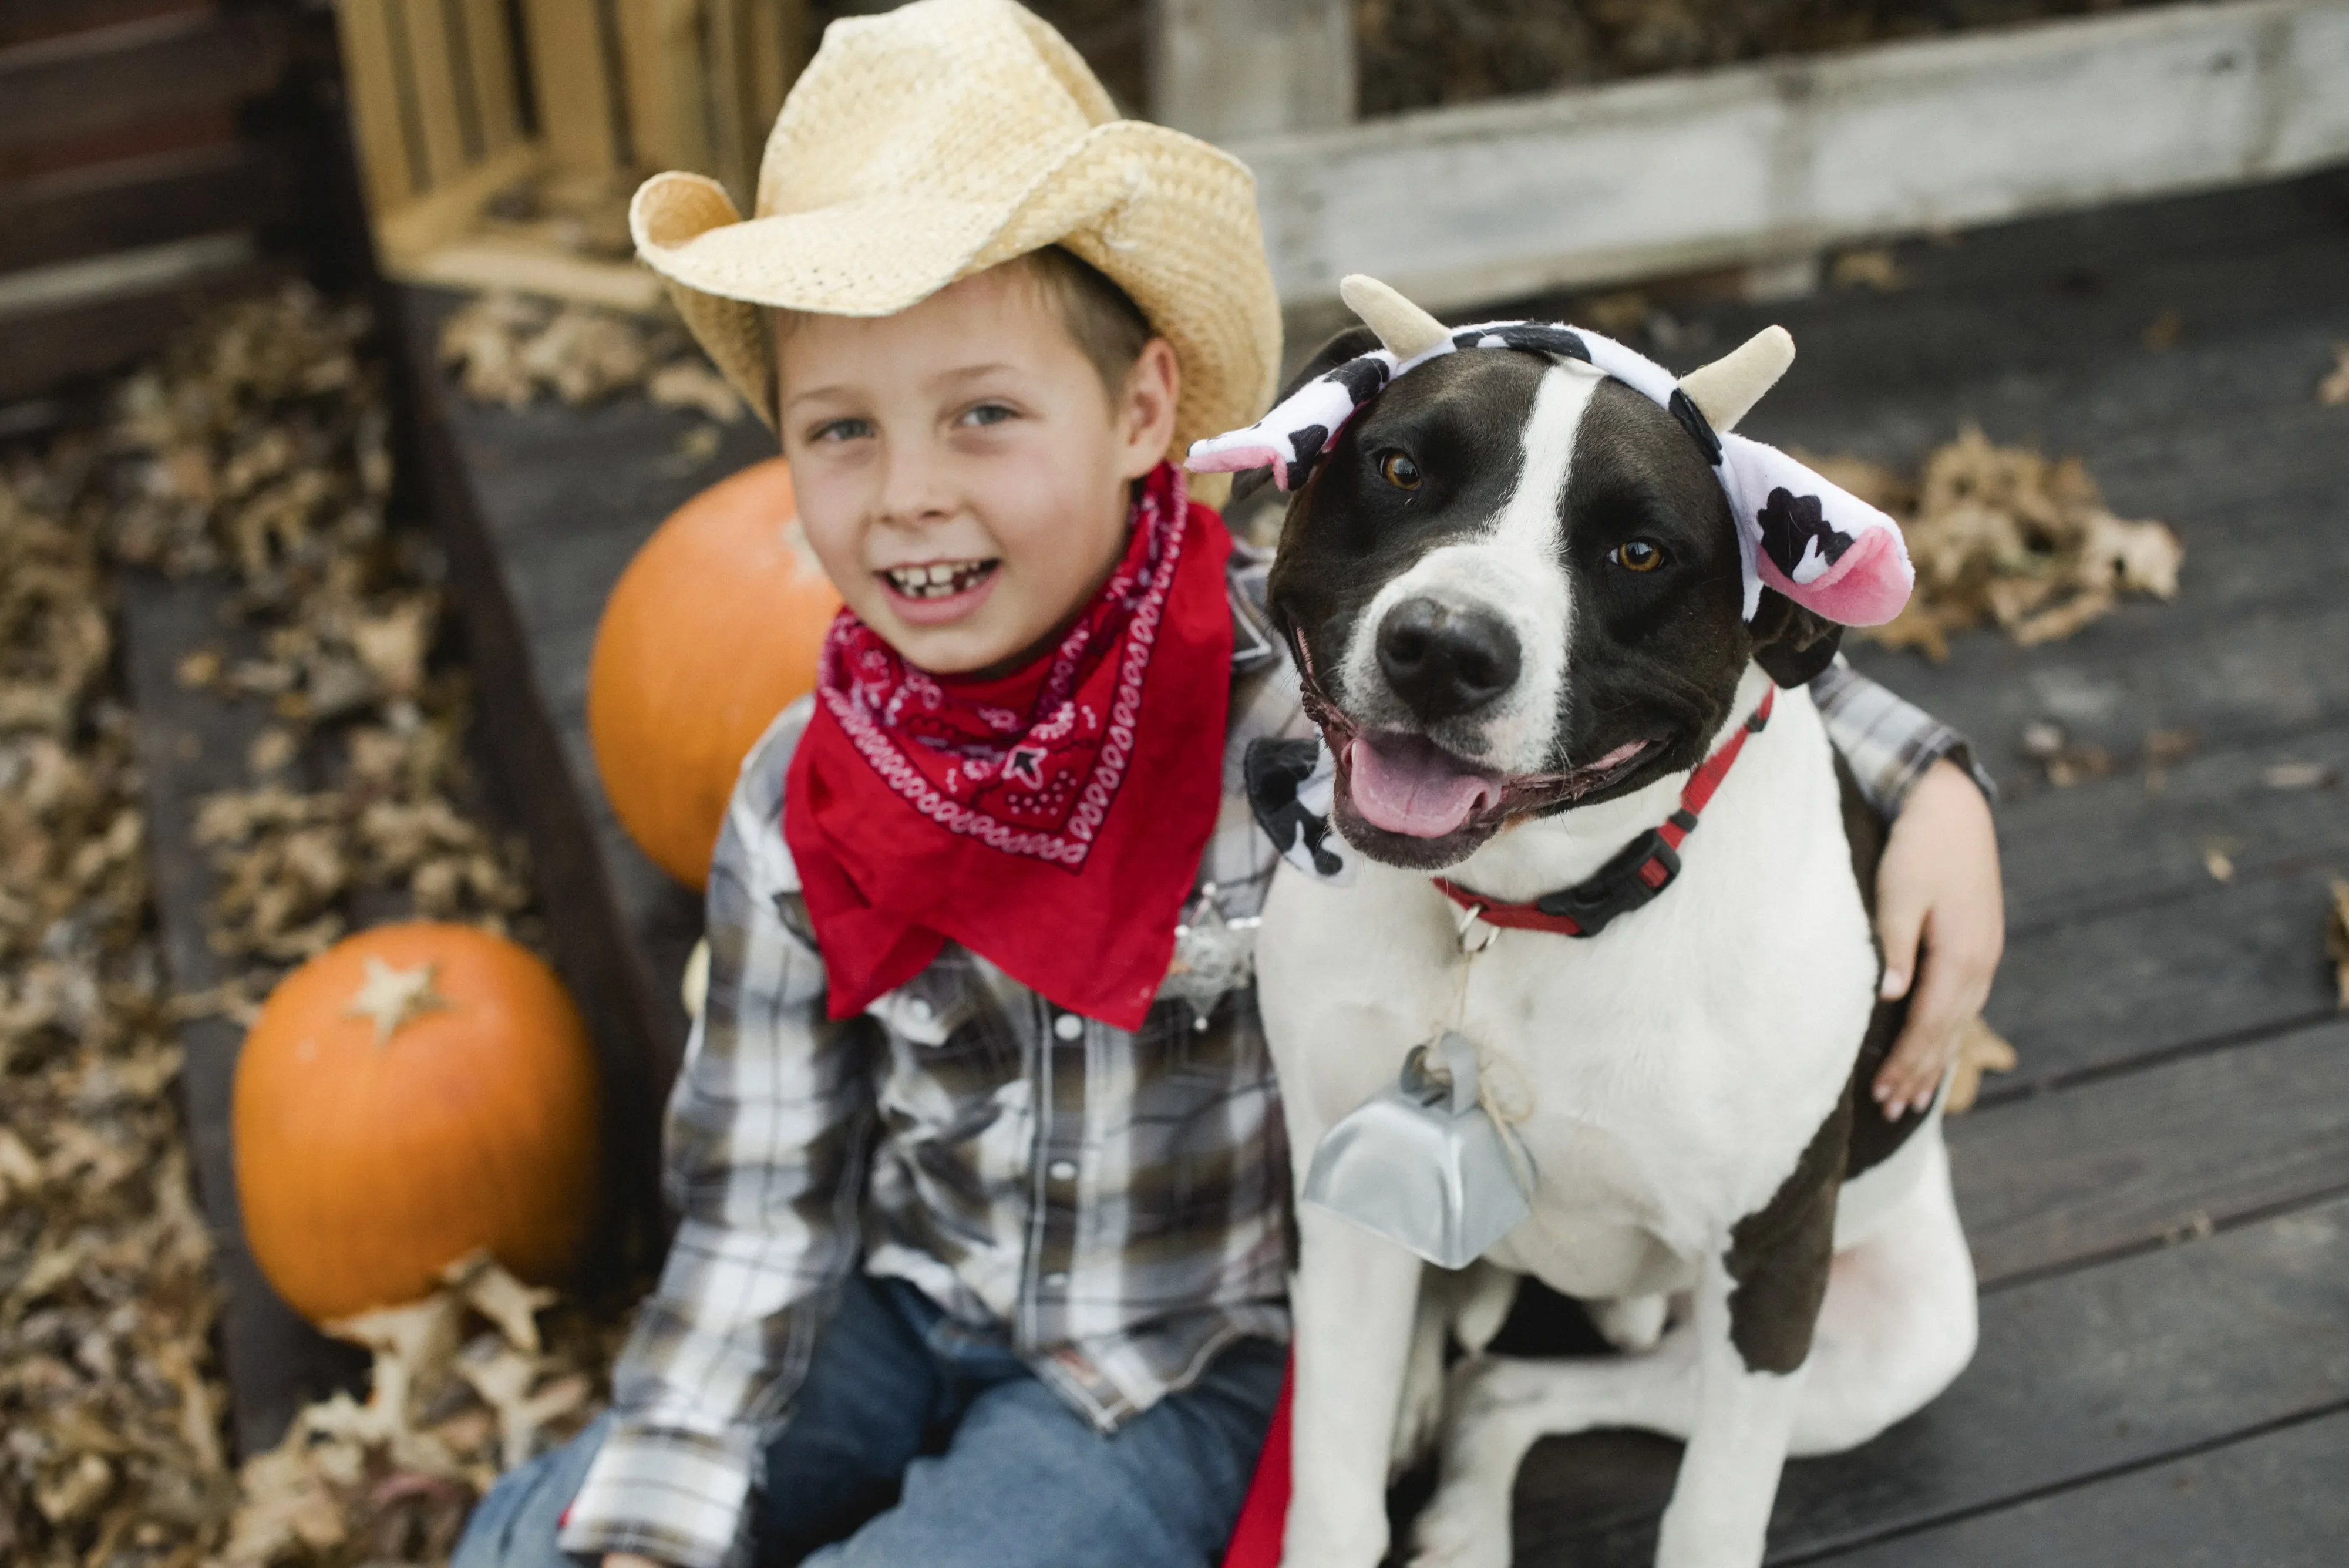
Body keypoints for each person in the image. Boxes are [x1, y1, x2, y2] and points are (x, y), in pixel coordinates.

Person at [450, 5, 2002, 1566]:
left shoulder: (1276, 673)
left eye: (983, 412)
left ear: (1144, 414)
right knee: (549, 1542)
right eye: (842, 429)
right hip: (903, 1291)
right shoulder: (805, 783)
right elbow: (750, 1213)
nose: (912, 488)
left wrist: (1929, 776)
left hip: (1173, 1367)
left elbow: (1641, 629)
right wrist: (657, 1510)